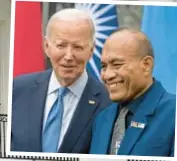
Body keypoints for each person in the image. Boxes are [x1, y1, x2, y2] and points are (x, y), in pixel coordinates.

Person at [11, 8, 111, 153]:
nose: (69, 56)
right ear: (47, 46)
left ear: (91, 50)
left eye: (77, 47)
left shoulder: (108, 103)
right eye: (61, 45)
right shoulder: (17, 89)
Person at [89, 28, 176, 156]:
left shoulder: (172, 113)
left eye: (117, 64)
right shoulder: (102, 119)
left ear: (146, 65)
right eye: (103, 66)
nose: (107, 75)